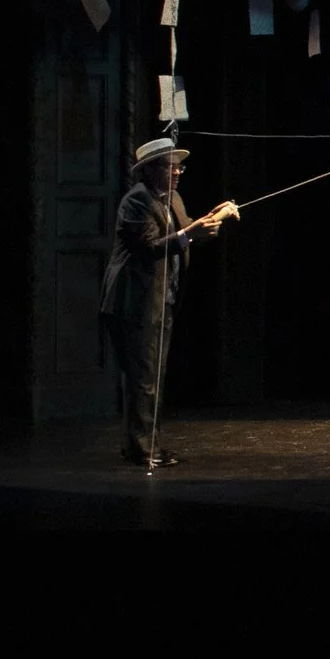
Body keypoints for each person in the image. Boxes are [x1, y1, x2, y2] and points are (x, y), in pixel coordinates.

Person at [99, 137, 237, 468]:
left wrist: (213, 217)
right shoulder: (137, 201)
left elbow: (185, 232)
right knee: (143, 379)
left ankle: (145, 446)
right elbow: (150, 246)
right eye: (169, 166)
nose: (176, 172)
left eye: (179, 167)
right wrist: (191, 234)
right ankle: (143, 450)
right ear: (149, 170)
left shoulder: (172, 198)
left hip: (161, 299)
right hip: (134, 302)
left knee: (154, 377)